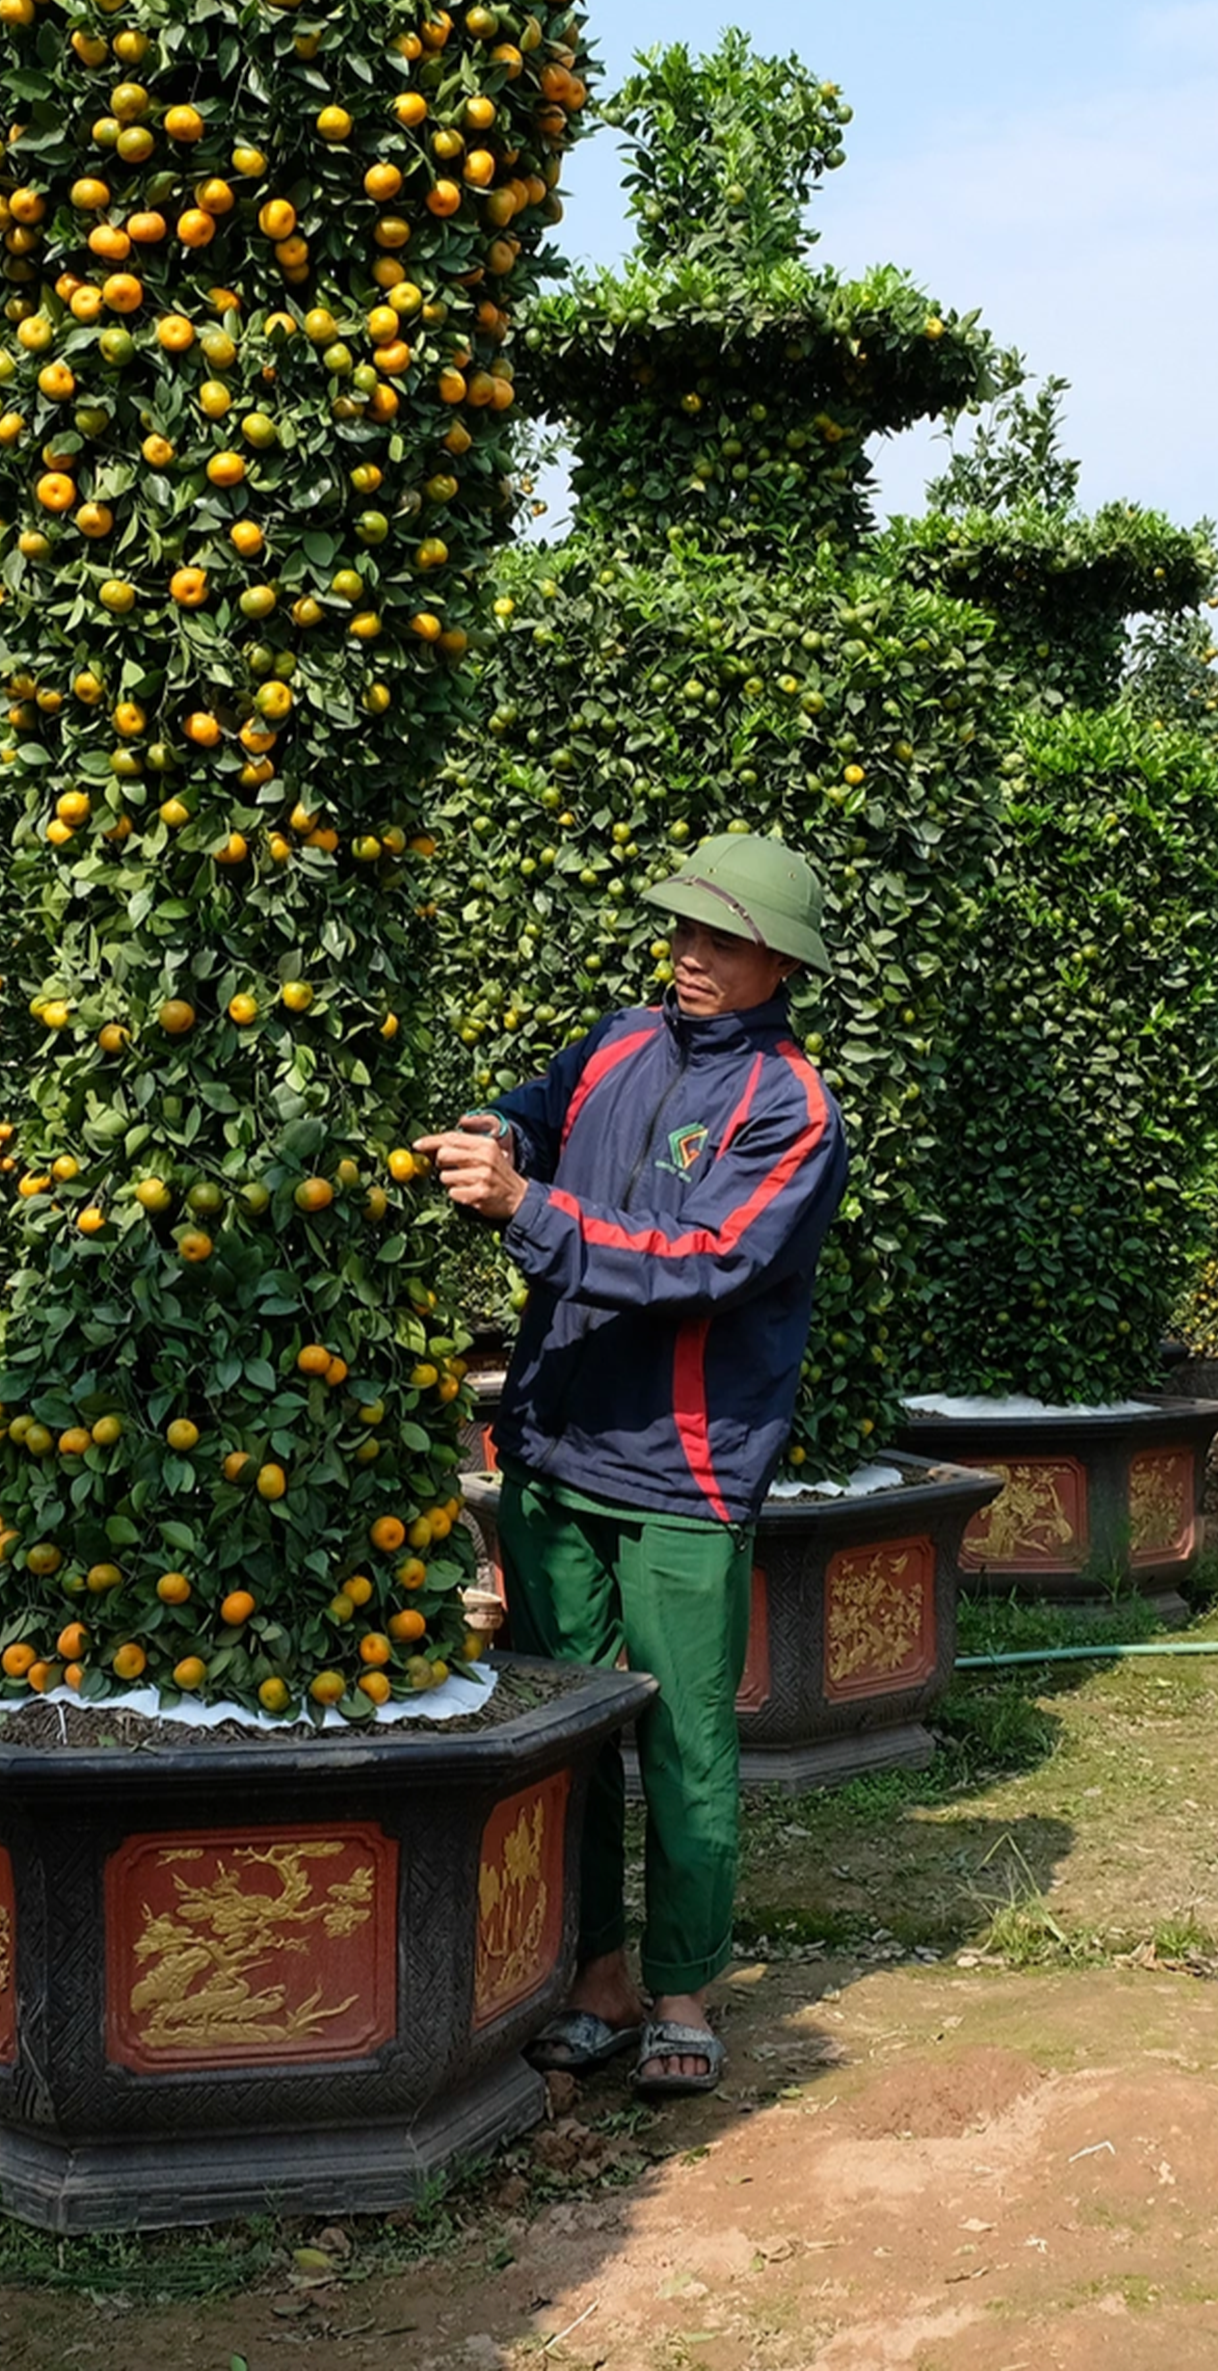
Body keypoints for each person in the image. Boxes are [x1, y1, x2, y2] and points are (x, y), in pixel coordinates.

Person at [416, 832, 848, 2095]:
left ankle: (683, 1986)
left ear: (779, 960)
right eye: (684, 930)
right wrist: (490, 1138)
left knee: (686, 1740)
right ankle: (596, 1975)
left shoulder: (792, 1110)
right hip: (553, 1448)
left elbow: (704, 1259)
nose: (691, 954)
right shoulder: (615, 1039)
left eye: (721, 939)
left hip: (685, 1473)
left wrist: (525, 1209)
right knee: (563, 1733)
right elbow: (536, 1115)